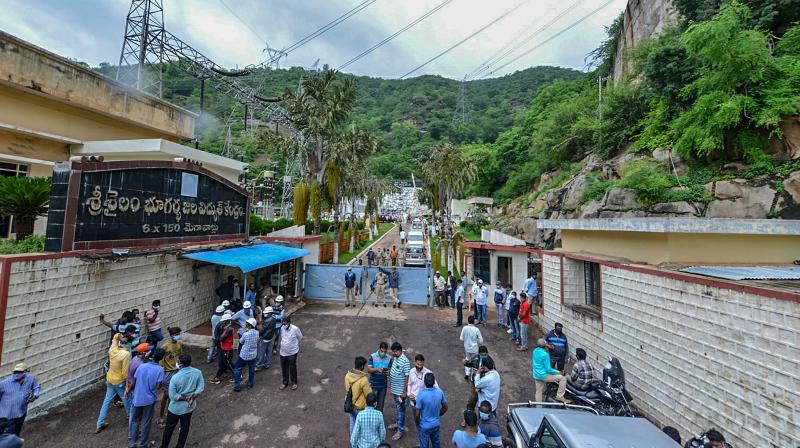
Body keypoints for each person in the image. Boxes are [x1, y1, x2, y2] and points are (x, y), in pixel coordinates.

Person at [161, 354, 204, 448]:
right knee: (185, 427)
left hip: (175, 409)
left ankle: (164, 446)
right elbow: (200, 388)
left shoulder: (175, 377)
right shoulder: (197, 372)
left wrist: (185, 398)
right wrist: (191, 398)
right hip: (189, 407)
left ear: (180, 364)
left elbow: (173, 396)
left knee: (169, 428)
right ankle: (180, 446)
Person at [127, 348, 165, 448]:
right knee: (146, 422)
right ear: (161, 358)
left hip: (137, 398)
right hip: (149, 400)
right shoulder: (160, 369)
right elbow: (158, 387)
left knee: (135, 421)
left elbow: (133, 381)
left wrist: (127, 391)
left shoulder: (142, 366)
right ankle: (143, 444)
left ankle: (133, 443)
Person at [95, 333, 131, 434]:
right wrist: (127, 383)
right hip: (119, 381)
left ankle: (99, 424)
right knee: (126, 398)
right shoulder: (126, 354)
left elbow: (115, 336)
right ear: (128, 344)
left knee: (106, 402)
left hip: (110, 379)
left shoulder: (112, 349)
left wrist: (121, 337)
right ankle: (130, 416)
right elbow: (125, 372)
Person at [0, 363, 39, 437]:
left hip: (21, 414)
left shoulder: (31, 378)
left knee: (16, 434)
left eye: (20, 372)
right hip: (7, 417)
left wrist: (35, 395)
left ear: (26, 372)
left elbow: (36, 387)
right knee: (8, 438)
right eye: (15, 372)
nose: (17, 374)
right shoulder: (3, 384)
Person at [159, 327, 184, 427]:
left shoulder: (179, 344)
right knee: (166, 395)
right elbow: (161, 362)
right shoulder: (165, 346)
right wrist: (163, 374)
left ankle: (170, 414)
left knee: (173, 395)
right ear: (171, 335)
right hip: (168, 373)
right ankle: (161, 416)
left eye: (178, 333)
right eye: (176, 334)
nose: (178, 335)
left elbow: (181, 356)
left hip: (177, 372)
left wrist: (181, 366)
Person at [414, 372, 447, 448]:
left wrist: (418, 422)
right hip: (436, 424)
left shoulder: (421, 395)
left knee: (424, 445)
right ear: (434, 381)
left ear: (424, 382)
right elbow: (445, 407)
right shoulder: (439, 392)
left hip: (424, 425)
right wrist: (438, 414)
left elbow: (417, 413)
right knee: (436, 443)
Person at [533, 339, 570, 404]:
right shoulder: (545, 354)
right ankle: (560, 396)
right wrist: (559, 372)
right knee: (563, 378)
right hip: (544, 375)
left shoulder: (535, 351)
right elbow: (549, 369)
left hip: (536, 375)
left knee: (538, 392)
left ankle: (538, 408)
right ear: (544, 346)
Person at [345, 356, 373, 436]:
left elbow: (348, 389)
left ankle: (353, 441)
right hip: (360, 407)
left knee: (352, 422)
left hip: (349, 404)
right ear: (362, 366)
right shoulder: (363, 380)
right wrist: (368, 386)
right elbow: (368, 394)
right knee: (362, 425)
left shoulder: (347, 375)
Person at [388, 342, 410, 441]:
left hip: (400, 391)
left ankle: (400, 430)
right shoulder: (396, 358)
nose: (393, 353)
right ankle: (397, 424)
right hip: (394, 389)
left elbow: (407, 377)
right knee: (398, 408)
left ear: (400, 350)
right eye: (392, 351)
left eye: (395, 351)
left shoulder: (405, 361)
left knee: (401, 410)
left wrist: (404, 392)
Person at [233, 318, 259, 392]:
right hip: (253, 355)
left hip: (244, 355)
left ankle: (237, 386)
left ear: (250, 325)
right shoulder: (257, 333)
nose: (246, 325)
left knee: (237, 368)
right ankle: (250, 384)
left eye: (247, 324)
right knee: (251, 369)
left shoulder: (245, 334)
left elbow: (241, 342)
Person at [463, 347, 492, 412]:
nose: (483, 356)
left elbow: (492, 372)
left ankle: (483, 415)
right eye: (482, 355)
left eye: (485, 354)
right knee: (472, 400)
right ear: (479, 354)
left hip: (485, 384)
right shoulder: (475, 358)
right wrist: (465, 363)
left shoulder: (490, 361)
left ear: (487, 353)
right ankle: (469, 414)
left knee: (484, 404)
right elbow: (470, 364)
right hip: (475, 383)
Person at [279, 316, 302, 390]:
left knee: (292, 367)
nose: (284, 325)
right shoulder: (282, 328)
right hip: (283, 352)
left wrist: (294, 345)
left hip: (292, 352)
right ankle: (285, 382)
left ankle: (294, 383)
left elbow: (300, 337)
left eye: (285, 323)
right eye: (283, 323)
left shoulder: (295, 329)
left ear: (289, 323)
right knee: (284, 368)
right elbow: (282, 337)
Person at [367, 342, 392, 412]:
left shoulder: (389, 358)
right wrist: (377, 369)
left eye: (384, 351)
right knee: (371, 404)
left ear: (386, 351)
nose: (383, 353)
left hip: (383, 386)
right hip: (373, 385)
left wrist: (388, 373)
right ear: (379, 349)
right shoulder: (372, 356)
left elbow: (390, 370)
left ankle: (378, 420)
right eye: (382, 351)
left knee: (380, 405)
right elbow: (369, 370)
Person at [210, 314, 234, 384]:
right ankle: (217, 377)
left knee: (228, 364)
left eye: (224, 321)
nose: (222, 323)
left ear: (227, 321)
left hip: (227, 349)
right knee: (222, 363)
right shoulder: (226, 328)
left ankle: (238, 375)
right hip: (224, 348)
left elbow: (221, 339)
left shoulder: (229, 329)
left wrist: (218, 329)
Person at [255, 306, 276, 371]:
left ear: (270, 313)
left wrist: (257, 330)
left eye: (266, 313)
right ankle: (267, 364)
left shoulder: (267, 321)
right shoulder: (273, 319)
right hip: (271, 337)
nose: (264, 314)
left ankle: (258, 366)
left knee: (261, 353)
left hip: (265, 339)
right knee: (269, 352)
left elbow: (262, 330)